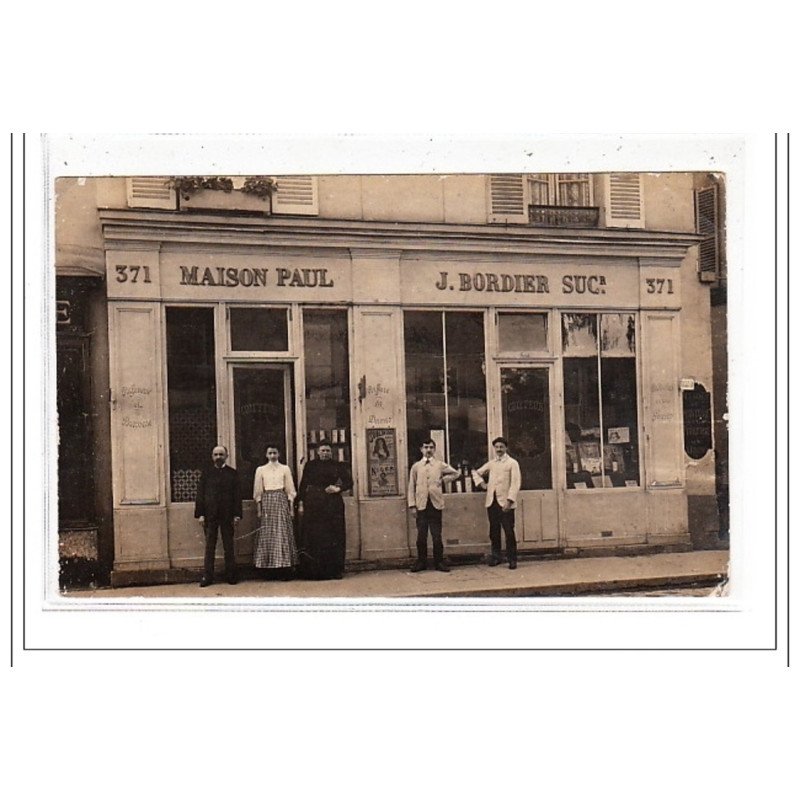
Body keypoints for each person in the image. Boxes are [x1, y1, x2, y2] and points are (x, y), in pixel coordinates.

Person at [296, 440, 353, 579]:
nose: (325, 453)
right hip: (314, 503)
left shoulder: (337, 465)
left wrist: (338, 488)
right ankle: (315, 572)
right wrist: (301, 502)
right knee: (315, 537)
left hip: (332, 504)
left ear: (331, 452)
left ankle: (334, 571)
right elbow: (303, 484)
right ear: (317, 452)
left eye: (328, 451)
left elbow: (349, 482)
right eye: (323, 450)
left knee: (334, 536)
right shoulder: (310, 465)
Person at [407, 439, 460, 572]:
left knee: (437, 536)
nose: (429, 450)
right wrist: (412, 505)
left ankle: (439, 562)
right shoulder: (416, 466)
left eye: (431, 447)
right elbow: (411, 487)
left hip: (435, 505)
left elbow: (456, 473)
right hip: (421, 505)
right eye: (426, 447)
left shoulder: (439, 465)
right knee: (421, 536)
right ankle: (421, 562)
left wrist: (442, 481)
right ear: (421, 449)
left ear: (434, 449)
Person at [194, 445, 242, 586]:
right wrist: (201, 514)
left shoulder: (232, 473)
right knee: (210, 546)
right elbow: (200, 495)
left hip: (227, 515)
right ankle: (207, 577)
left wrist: (237, 514)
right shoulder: (207, 473)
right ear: (212, 456)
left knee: (229, 546)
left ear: (226, 456)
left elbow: (237, 495)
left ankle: (231, 575)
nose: (218, 457)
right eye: (216, 454)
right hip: (210, 515)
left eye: (221, 454)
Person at [472, 437, 522, 569]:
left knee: (509, 532)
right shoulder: (492, 463)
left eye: (501, 447)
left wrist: (510, 501)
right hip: (492, 502)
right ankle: (496, 557)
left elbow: (515, 483)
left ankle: (512, 559)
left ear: (506, 448)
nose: (499, 449)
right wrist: (482, 484)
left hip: (505, 503)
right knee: (494, 531)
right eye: (497, 447)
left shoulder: (512, 463)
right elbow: (476, 473)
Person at [252, 444, 297, 579]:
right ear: (266, 455)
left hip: (281, 500)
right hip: (267, 502)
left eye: (275, 453)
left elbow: (290, 489)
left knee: (281, 532)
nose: (272, 456)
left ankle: (283, 567)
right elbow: (258, 490)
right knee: (268, 534)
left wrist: (291, 507)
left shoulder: (285, 469)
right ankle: (268, 569)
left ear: (279, 454)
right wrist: (259, 509)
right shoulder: (261, 469)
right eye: (270, 453)